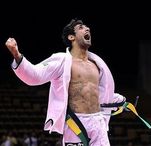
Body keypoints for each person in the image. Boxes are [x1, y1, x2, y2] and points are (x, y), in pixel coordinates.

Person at [5, 18, 126, 146]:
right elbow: (34, 75)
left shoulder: (97, 64)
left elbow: (99, 93)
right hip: (76, 124)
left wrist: (120, 100)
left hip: (99, 123)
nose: (87, 29)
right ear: (71, 37)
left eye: (87, 27)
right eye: (81, 27)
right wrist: (17, 55)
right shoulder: (61, 61)